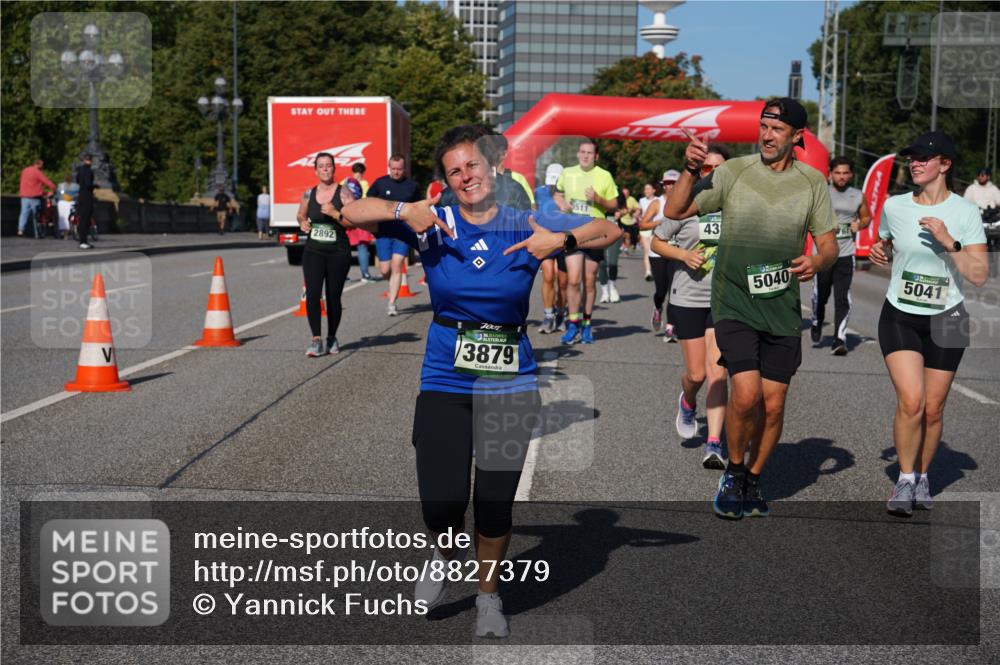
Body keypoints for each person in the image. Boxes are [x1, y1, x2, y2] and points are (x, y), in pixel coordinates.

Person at [342, 124, 621, 638]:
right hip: (446, 375)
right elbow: (350, 212)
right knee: (441, 500)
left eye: (472, 165)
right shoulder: (433, 221)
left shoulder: (526, 221)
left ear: (491, 168)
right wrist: (406, 210)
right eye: (454, 171)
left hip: (509, 380)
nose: (465, 176)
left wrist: (560, 239)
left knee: (494, 504)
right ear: (445, 181)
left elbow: (610, 232)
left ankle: (489, 597)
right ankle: (444, 554)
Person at [663, 97, 838, 520]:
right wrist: (690, 168)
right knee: (745, 396)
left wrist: (817, 260)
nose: (766, 135)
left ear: (797, 136)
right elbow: (675, 209)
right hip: (734, 301)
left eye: (776, 129)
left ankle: (754, 477)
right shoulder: (734, 171)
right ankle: (734, 470)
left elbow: (829, 243)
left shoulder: (812, 182)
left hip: (780, 307)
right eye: (763, 126)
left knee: (774, 405)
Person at [869, 131, 987, 517]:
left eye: (923, 157)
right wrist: (879, 250)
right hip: (900, 313)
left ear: (945, 164)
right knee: (912, 400)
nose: (915, 163)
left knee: (934, 409)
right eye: (912, 157)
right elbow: (885, 242)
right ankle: (904, 479)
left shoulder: (965, 213)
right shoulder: (895, 206)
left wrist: (948, 240)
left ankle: (921, 475)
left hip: (949, 317)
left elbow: (980, 275)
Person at [652, 145, 731, 468]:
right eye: (707, 168)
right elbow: (657, 241)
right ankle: (687, 401)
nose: (712, 174)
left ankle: (714, 443)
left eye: (719, 168)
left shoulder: (735, 205)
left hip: (723, 299)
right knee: (696, 374)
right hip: (687, 297)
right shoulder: (686, 206)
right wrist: (684, 255)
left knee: (718, 373)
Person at [554, 139, 619, 344]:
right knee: (573, 280)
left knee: (589, 281)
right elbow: (556, 194)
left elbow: (614, 204)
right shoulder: (568, 172)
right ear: (577, 154)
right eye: (582, 152)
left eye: (589, 153)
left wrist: (598, 199)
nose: (585, 156)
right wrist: (561, 203)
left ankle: (587, 323)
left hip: (595, 232)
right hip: (573, 232)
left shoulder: (604, 176)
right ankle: (573, 323)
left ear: (596, 156)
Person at [296, 153, 359, 357]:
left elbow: (354, 221)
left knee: (333, 297)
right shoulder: (309, 193)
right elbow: (301, 214)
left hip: (338, 252)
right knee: (313, 295)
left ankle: (332, 336)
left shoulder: (344, 194)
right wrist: (302, 223)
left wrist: (335, 214)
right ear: (315, 170)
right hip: (313, 251)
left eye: (328, 166)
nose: (325, 169)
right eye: (321, 166)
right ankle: (316, 339)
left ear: (334, 169)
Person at [810, 156, 872, 355]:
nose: (842, 177)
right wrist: (825, 224)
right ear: (830, 174)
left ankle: (839, 339)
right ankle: (817, 320)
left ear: (851, 174)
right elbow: (809, 216)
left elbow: (866, 217)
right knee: (821, 296)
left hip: (846, 253)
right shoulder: (822, 193)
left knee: (842, 297)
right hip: (823, 253)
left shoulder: (857, 195)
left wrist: (860, 225)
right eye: (837, 173)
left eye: (845, 173)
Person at [369, 154, 421, 315]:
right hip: (383, 232)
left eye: (399, 169)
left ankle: (392, 303)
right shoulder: (380, 183)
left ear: (404, 169)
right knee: (385, 270)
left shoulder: (412, 186)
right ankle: (391, 281)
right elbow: (368, 202)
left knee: (397, 264)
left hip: (403, 232)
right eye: (393, 169)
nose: (396, 172)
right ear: (389, 167)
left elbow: (418, 207)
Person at [639, 172, 687, 342]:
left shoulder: (685, 202)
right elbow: (643, 224)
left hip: (676, 251)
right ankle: (658, 307)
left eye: (673, 183)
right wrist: (660, 223)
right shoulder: (657, 203)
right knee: (661, 290)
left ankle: (670, 328)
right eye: (667, 183)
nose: (670, 186)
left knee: (674, 291)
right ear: (663, 185)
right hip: (657, 252)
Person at [536, 163, 567, 334]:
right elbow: (532, 212)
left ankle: (561, 313)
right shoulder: (539, 192)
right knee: (548, 276)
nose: (552, 186)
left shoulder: (569, 193)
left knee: (563, 282)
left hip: (565, 241)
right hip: (546, 240)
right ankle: (548, 315)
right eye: (550, 182)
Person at [18, 158, 56, 237]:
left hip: (24, 196)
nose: (43, 166)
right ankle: (37, 231)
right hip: (34, 197)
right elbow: (46, 181)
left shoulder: (25, 170)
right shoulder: (37, 172)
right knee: (37, 215)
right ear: (38, 164)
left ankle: (21, 230)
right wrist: (54, 188)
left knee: (24, 213)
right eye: (42, 165)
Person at [75, 154, 97, 249]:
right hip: (87, 196)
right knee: (86, 219)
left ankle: (82, 241)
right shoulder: (88, 171)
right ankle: (83, 241)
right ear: (90, 160)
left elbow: (78, 181)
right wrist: (95, 186)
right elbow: (88, 184)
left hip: (81, 195)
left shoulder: (79, 170)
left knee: (83, 218)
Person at [638, 181, 657, 281]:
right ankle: (648, 272)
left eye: (648, 189)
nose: (646, 191)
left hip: (656, 228)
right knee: (647, 250)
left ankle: (656, 270)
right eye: (645, 189)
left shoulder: (658, 200)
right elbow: (639, 211)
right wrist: (637, 215)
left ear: (654, 190)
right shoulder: (641, 200)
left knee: (655, 250)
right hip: (645, 228)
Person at [56, 172, 79, 240]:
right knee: (71, 217)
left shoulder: (60, 185)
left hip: (62, 203)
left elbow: (57, 195)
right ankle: (72, 230)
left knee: (62, 218)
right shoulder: (76, 186)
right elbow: (79, 194)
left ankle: (64, 232)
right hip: (71, 202)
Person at [618, 186, 640, 254]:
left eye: (626, 193)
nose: (625, 195)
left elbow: (638, 208)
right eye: (623, 193)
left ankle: (626, 248)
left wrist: (633, 211)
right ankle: (622, 245)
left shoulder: (632, 199)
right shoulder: (620, 199)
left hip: (630, 221)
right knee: (625, 234)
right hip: (621, 220)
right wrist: (625, 211)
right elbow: (616, 209)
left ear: (629, 194)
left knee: (629, 236)